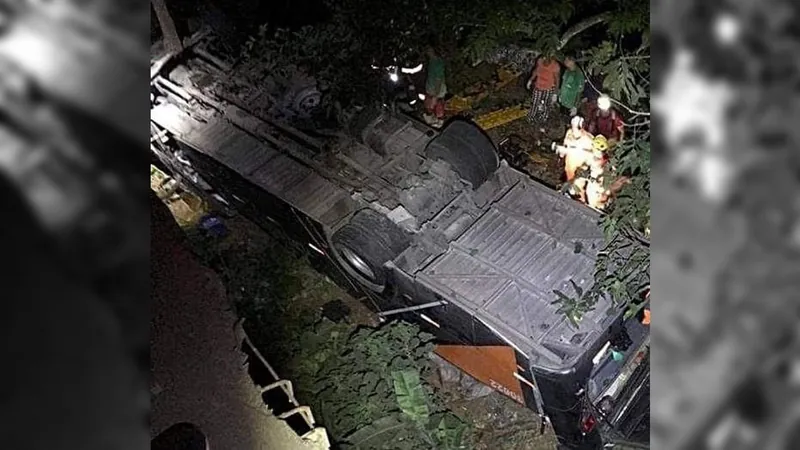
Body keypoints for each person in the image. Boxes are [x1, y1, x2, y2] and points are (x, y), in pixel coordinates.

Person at [526, 54, 560, 129]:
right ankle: (531, 117)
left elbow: (557, 80)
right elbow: (536, 70)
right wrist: (530, 80)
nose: (544, 59)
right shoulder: (540, 60)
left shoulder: (555, 65)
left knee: (546, 105)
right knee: (535, 102)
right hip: (538, 86)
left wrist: (555, 93)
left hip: (549, 87)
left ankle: (543, 119)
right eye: (543, 57)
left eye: (546, 58)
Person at [558, 115, 594, 183]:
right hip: (570, 161)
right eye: (573, 126)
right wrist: (561, 156)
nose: (574, 129)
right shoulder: (569, 132)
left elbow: (594, 154)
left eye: (576, 127)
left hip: (581, 166)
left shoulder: (589, 139)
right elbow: (565, 144)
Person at [424, 46, 447, 127]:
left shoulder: (437, 63)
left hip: (436, 92)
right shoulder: (432, 61)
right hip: (431, 91)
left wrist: (435, 95)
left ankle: (438, 124)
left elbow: (438, 80)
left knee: (437, 109)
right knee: (430, 107)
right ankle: (433, 123)